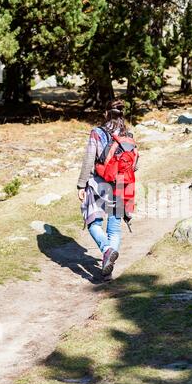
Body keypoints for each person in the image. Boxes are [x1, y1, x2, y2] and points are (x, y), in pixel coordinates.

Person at [77, 100, 138, 278]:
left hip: (98, 184)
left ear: (106, 113)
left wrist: (81, 184)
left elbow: (89, 159)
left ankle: (106, 249)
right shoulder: (129, 135)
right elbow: (134, 165)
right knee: (115, 228)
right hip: (121, 185)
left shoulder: (97, 133)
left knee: (93, 222)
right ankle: (108, 270)